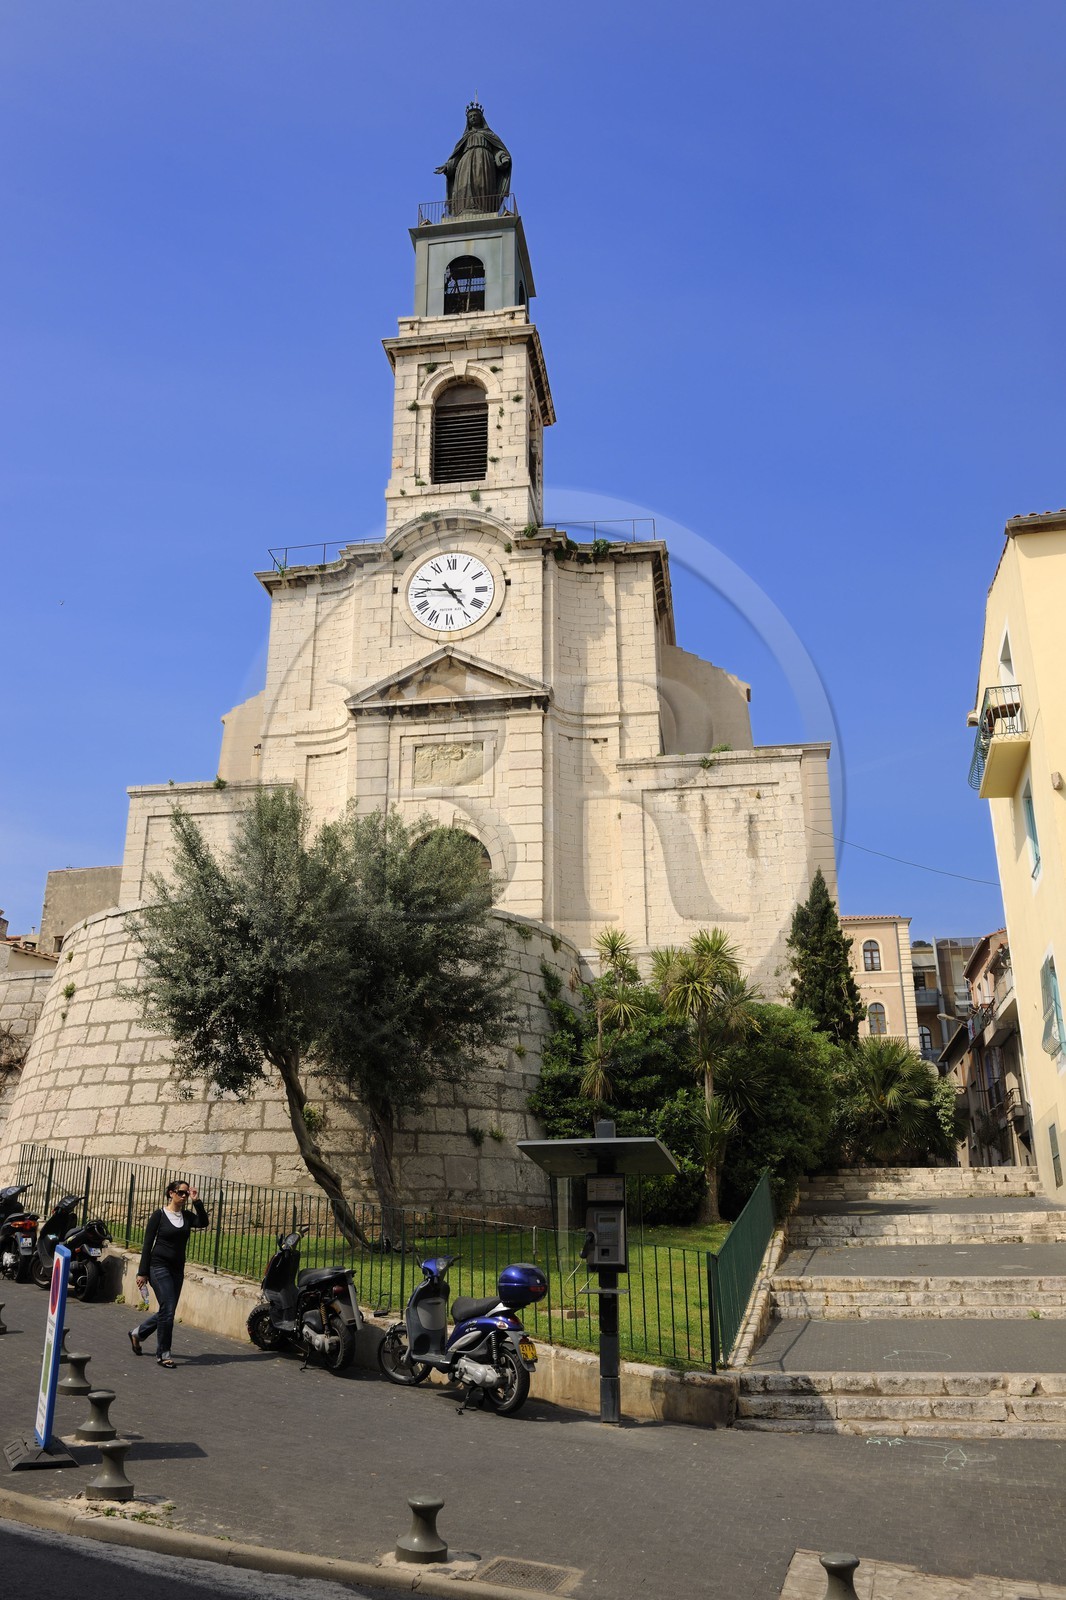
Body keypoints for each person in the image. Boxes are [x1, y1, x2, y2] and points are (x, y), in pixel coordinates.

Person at [128, 1180, 209, 1368]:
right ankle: (163, 1354)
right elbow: (147, 1244)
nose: (184, 1196)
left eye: (186, 1194)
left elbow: (203, 1222)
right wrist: (142, 1273)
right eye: (181, 1193)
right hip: (158, 1266)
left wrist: (197, 1202)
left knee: (167, 1310)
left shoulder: (187, 1216)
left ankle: (137, 1333)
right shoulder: (159, 1215)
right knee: (169, 1309)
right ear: (171, 1193)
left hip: (176, 1269)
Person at [435, 103, 511, 216]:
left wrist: (503, 158)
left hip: (484, 161)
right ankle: (464, 209)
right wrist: (448, 166)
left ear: (481, 118)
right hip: (465, 163)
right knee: (466, 185)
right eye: (470, 117)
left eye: (475, 116)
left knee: (481, 183)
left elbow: (498, 150)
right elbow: (456, 157)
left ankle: (484, 208)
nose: (473, 118)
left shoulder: (489, 135)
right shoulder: (465, 137)